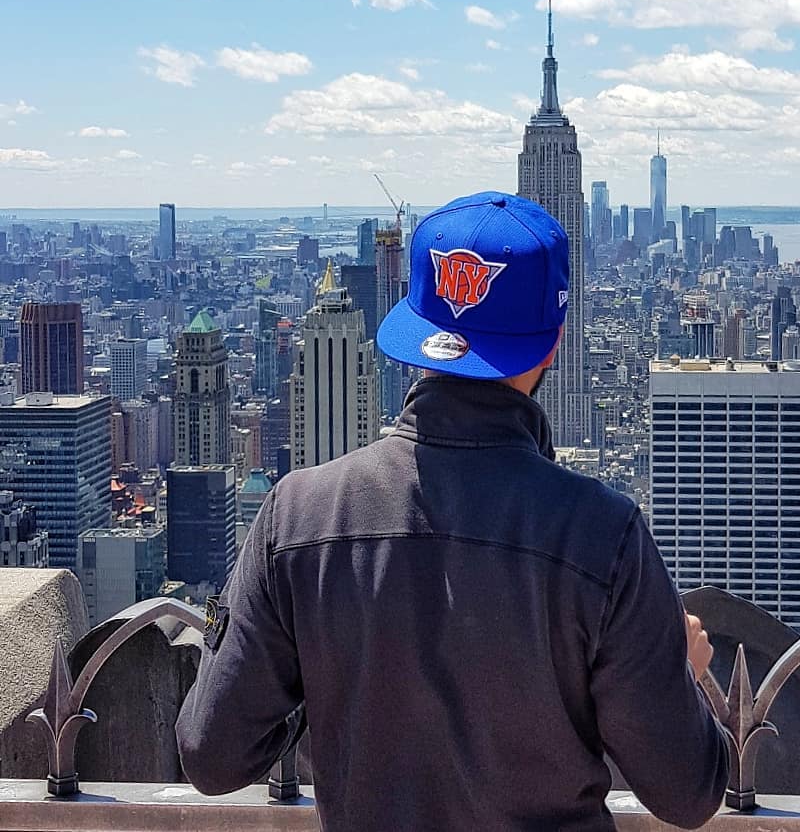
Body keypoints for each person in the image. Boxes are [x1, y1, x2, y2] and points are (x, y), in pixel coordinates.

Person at [176, 191, 730, 830]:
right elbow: (688, 793)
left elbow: (211, 755)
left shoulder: (299, 517)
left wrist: (318, 667)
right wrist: (677, 679)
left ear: (414, 330)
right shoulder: (604, 536)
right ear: (550, 345)